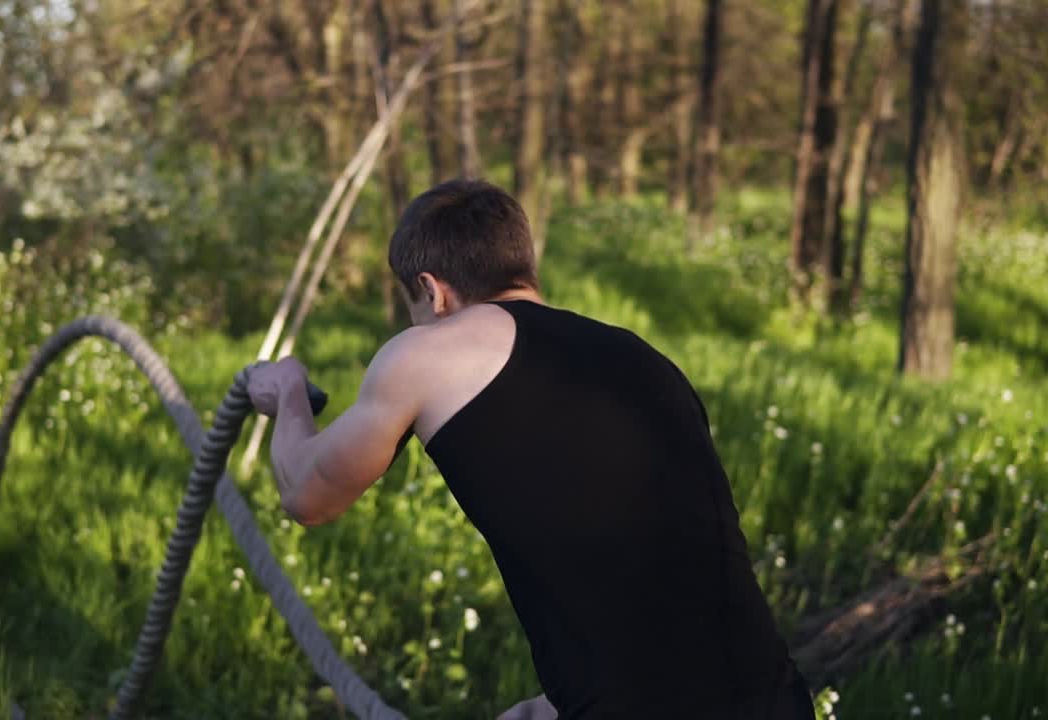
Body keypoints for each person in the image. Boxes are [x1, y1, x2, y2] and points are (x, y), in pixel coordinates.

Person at [246, 179, 815, 720]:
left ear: (431, 290)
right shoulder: (647, 362)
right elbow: (662, 574)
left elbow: (307, 496)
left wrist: (287, 392)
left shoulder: (427, 352)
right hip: (776, 700)